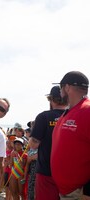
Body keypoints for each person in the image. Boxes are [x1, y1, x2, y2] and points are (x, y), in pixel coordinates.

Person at [51, 71, 90, 199]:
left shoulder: (87, 110)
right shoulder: (68, 112)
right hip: (66, 192)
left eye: (61, 88)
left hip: (79, 193)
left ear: (67, 87)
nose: (60, 92)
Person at [28, 86, 67, 200]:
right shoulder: (72, 115)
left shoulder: (43, 116)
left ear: (51, 99)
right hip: (68, 173)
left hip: (46, 172)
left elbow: (33, 144)